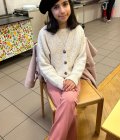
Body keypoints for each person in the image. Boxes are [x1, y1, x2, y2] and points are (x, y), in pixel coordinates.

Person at [38, 0, 87, 139]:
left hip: (73, 79)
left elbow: (81, 58)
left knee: (68, 102)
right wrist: (60, 82)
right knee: (70, 107)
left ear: (70, 5)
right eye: (56, 7)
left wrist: (72, 78)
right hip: (54, 81)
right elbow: (44, 65)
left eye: (65, 4)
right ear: (50, 11)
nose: (62, 10)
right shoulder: (44, 34)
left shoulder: (79, 30)